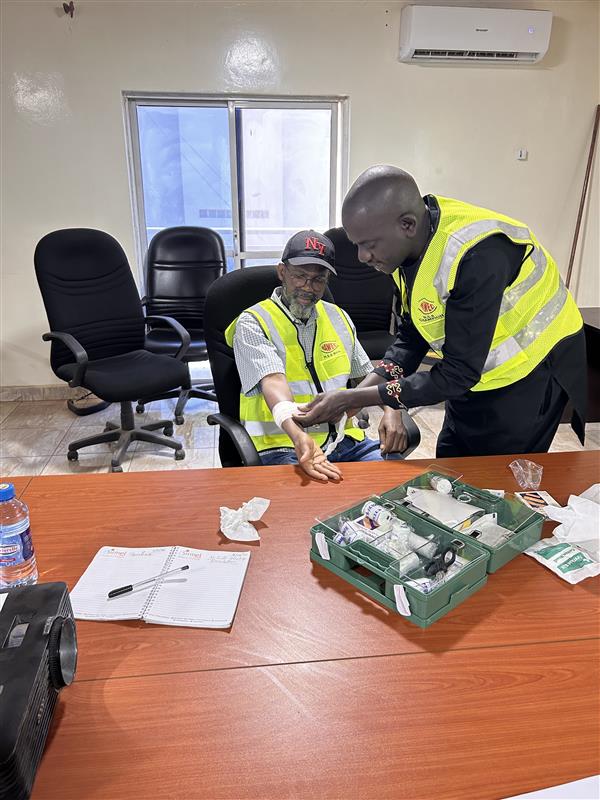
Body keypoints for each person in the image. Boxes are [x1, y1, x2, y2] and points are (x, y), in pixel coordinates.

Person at [294, 166, 587, 457]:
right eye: (357, 245)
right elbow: (413, 336)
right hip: (470, 370)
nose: (361, 257)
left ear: (407, 225)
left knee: (499, 472)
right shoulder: (403, 250)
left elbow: (458, 374)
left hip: (533, 371)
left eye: (368, 245)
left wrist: (352, 398)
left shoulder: (476, 255)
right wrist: (356, 398)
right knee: (452, 459)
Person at [225, 229, 407, 481]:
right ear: (282, 272)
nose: (308, 288)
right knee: (314, 499)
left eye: (318, 280)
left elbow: (368, 377)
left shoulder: (338, 317)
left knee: (393, 483)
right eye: (300, 276)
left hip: (345, 441)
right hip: (283, 444)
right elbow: (273, 382)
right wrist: (300, 436)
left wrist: (391, 408)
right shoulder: (254, 322)